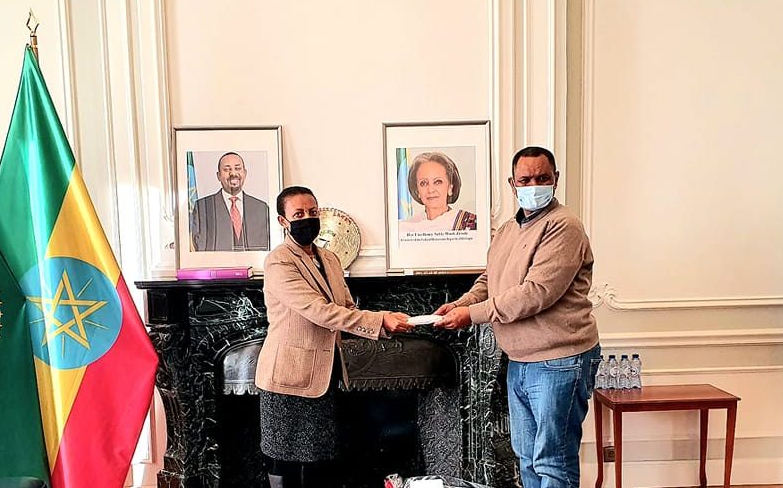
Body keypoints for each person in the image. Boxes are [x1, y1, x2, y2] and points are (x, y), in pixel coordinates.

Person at [433, 146, 600, 488]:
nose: (534, 185)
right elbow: (489, 279)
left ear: (556, 179)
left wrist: (471, 315)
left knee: (552, 461)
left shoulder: (563, 226)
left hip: (559, 360)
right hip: (520, 360)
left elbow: (535, 293)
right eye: (525, 180)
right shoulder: (509, 229)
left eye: (542, 178)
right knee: (526, 458)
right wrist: (461, 303)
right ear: (512, 184)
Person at [255, 186, 412, 488]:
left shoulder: (329, 258)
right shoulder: (279, 261)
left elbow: (346, 308)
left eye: (312, 212)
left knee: (320, 462)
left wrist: (385, 321)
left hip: (325, 375)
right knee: (286, 465)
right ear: (283, 221)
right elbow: (319, 311)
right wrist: (379, 321)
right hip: (288, 379)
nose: (307, 219)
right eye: (298, 214)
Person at [192, 151, 270, 251]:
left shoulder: (261, 208)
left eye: (237, 168)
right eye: (227, 169)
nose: (233, 173)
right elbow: (199, 246)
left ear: (245, 173)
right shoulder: (203, 207)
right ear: (218, 176)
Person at [398, 151, 477, 235]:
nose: (430, 190)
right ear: (417, 191)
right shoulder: (403, 229)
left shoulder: (472, 224)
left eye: (437, 182)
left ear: (450, 187)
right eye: (423, 183)